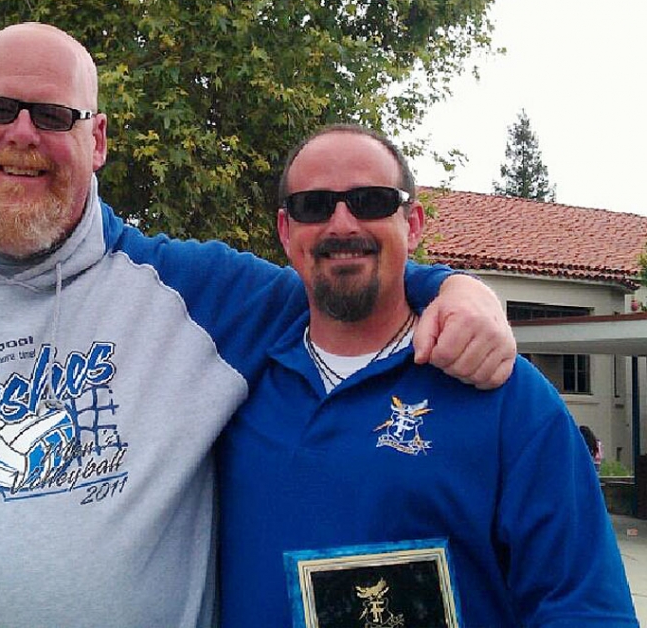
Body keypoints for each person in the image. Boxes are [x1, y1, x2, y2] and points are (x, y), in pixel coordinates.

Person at [0, 24, 515, 628]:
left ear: (96, 141)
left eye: (53, 114)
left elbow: (343, 281)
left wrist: (458, 290)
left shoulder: (197, 295)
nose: (23, 133)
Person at [217, 124, 637, 626]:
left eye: (371, 201)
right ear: (287, 231)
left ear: (412, 224)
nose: (342, 224)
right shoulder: (231, 387)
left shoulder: (509, 397)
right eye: (315, 205)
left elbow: (583, 608)